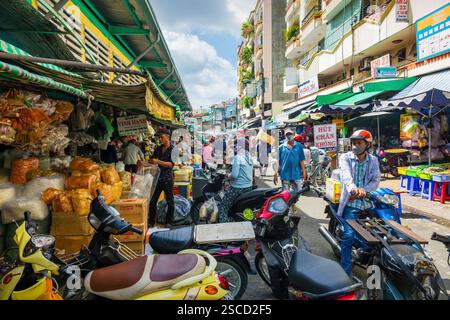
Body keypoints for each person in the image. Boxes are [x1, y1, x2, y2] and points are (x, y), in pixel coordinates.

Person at [337, 129, 381, 275]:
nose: (355, 145)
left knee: (383, 232)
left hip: (368, 201)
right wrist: (354, 189)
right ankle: (345, 271)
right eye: (354, 143)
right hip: (351, 203)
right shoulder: (345, 157)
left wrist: (364, 190)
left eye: (359, 143)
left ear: (367, 144)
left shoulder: (373, 160)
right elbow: (346, 176)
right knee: (348, 236)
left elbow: (376, 180)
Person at [218, 138, 254, 223]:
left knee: (223, 207)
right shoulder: (249, 156)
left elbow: (234, 175)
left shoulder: (237, 157)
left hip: (237, 188)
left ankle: (224, 226)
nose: (235, 146)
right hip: (248, 187)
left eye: (236, 145)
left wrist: (227, 176)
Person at [148, 128, 175, 228]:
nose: (160, 139)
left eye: (162, 137)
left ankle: (169, 221)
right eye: (159, 137)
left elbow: (171, 164)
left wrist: (158, 162)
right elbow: (152, 160)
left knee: (170, 201)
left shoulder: (174, 150)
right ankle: (151, 221)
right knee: (152, 201)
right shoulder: (158, 149)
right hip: (157, 179)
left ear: (167, 136)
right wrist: (145, 162)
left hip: (167, 179)